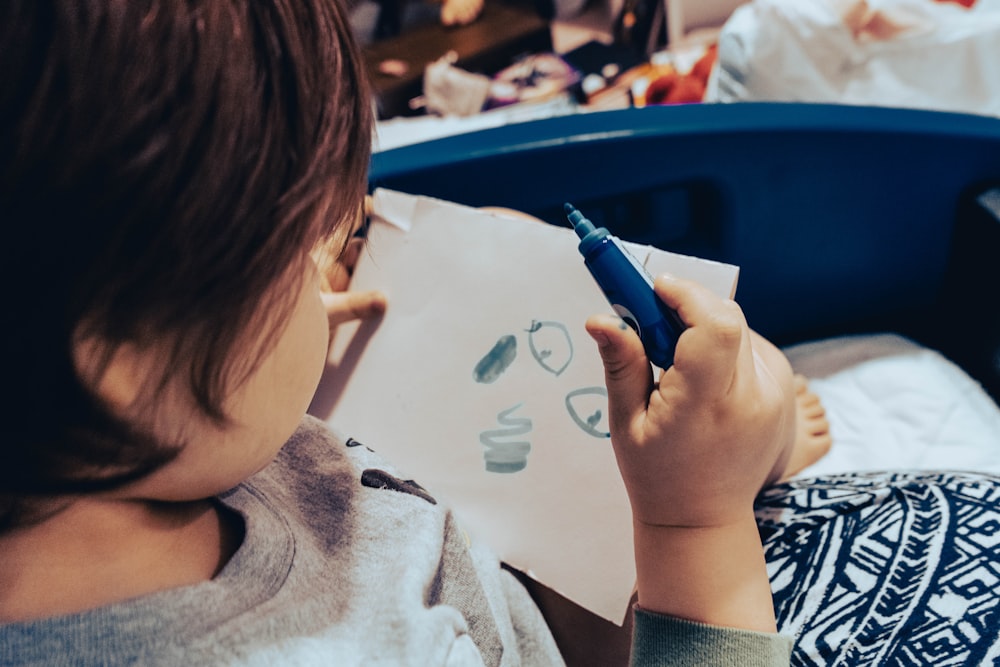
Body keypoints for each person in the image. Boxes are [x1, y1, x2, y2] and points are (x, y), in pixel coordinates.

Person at [0, 1, 822, 664]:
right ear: (132, 353)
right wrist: (695, 521)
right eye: (296, 250)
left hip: (462, 548)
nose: (330, 255)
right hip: (579, 614)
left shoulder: (92, 440)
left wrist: (232, 345)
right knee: (753, 393)